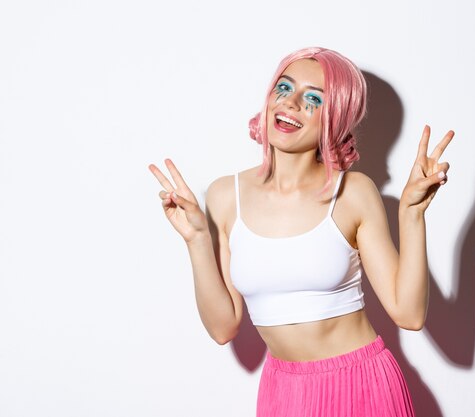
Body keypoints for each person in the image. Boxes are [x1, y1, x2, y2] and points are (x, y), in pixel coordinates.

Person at [148, 46, 453, 417]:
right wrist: (196, 240)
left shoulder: (353, 193)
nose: (291, 103)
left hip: (361, 386)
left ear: (335, 119)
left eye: (313, 98)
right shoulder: (226, 196)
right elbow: (222, 327)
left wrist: (412, 214)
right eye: (283, 88)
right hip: (283, 393)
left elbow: (409, 314)